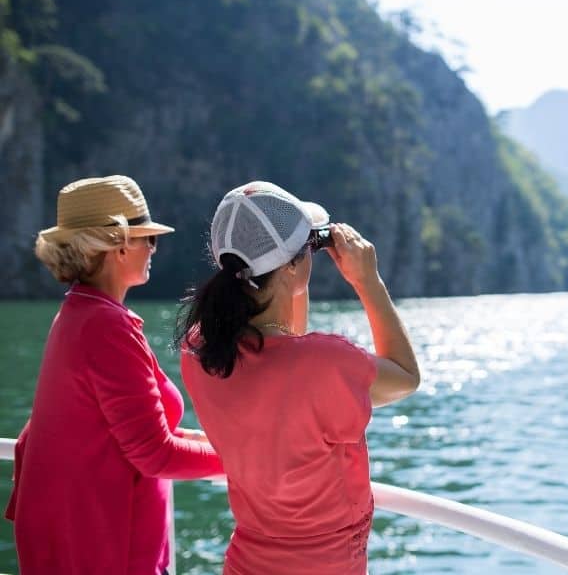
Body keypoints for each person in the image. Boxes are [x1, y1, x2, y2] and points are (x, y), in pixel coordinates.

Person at [175, 181, 420, 575]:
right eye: (309, 247)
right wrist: (367, 280)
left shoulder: (200, 350)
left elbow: (285, 347)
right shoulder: (325, 364)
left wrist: (294, 270)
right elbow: (406, 376)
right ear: (290, 266)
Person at [4, 175, 224, 575]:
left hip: (86, 544)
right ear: (119, 244)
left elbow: (126, 430)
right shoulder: (105, 327)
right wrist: (242, 460)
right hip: (111, 554)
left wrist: (223, 443)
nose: (154, 249)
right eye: (148, 239)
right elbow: (155, 453)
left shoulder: (78, 314)